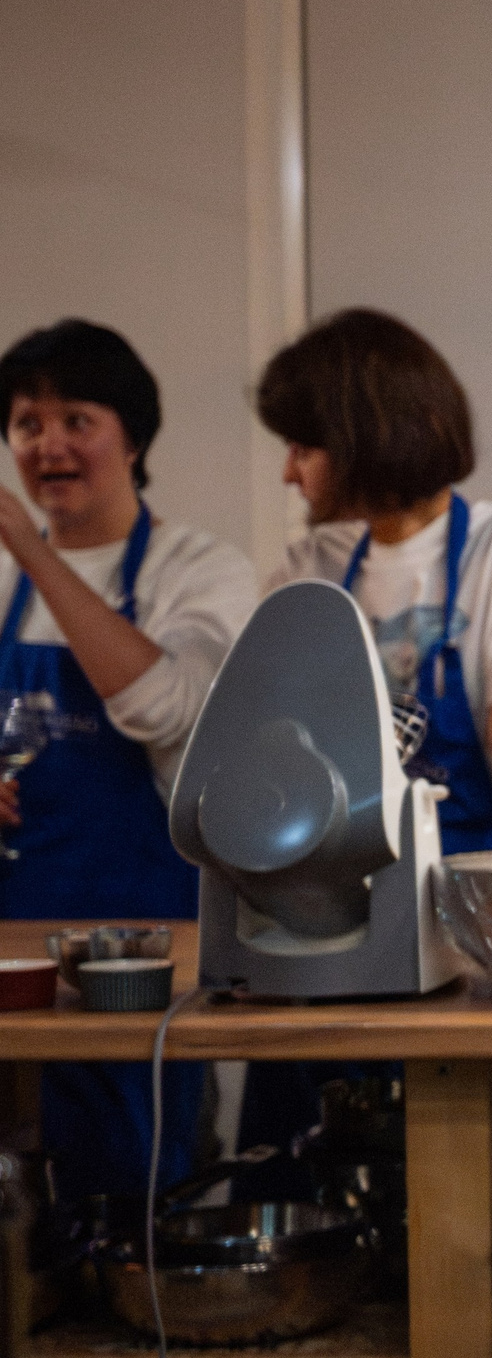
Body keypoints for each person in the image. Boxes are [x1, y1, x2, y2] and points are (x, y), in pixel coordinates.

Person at [0, 321, 256, 1196]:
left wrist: (36, 550)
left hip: (152, 939)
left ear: (134, 436)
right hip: (16, 945)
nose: (50, 445)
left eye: (77, 418)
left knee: (147, 1181)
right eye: (28, 424)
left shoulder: (201, 570)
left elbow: (165, 707)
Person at [257, 309, 492, 853]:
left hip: (479, 904)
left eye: (303, 449)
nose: (288, 473)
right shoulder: (307, 572)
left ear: (359, 440)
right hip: (349, 901)